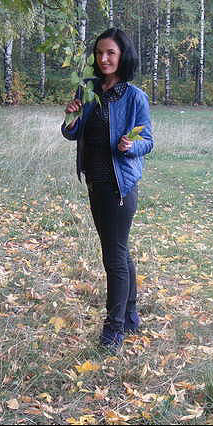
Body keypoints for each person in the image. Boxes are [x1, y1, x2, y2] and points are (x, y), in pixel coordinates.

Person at [61, 28, 153, 352]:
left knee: (113, 256)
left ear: (122, 55)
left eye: (110, 53)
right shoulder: (88, 89)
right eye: (99, 53)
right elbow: (71, 133)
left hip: (120, 185)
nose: (103, 59)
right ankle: (129, 315)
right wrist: (71, 117)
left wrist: (131, 146)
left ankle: (114, 329)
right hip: (95, 182)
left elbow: (148, 141)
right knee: (119, 250)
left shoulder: (135, 97)